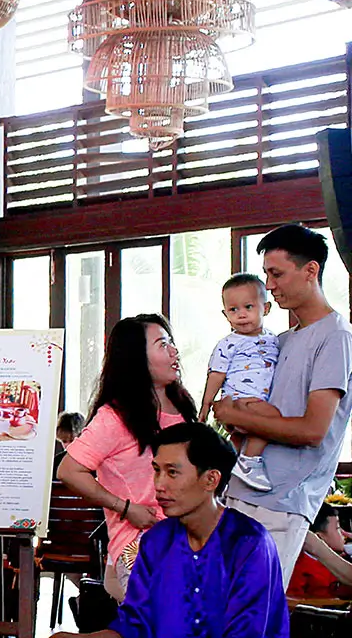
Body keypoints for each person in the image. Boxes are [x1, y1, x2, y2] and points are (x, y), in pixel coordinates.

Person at [37, 422, 306, 638]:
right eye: (156, 472)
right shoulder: (155, 542)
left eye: (172, 473)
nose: (159, 486)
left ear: (211, 479)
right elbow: (131, 632)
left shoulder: (249, 542)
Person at [213, 224, 352, 583]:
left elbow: (312, 430)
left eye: (276, 274)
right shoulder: (281, 339)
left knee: (251, 618)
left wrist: (231, 413)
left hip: (281, 502)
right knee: (217, 611)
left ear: (310, 271)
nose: (269, 285)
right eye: (266, 275)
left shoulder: (335, 336)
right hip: (240, 491)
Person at [58, 314, 200, 602]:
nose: (174, 351)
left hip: (188, 538)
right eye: (162, 345)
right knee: (164, 630)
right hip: (142, 544)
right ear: (137, 358)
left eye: (171, 342)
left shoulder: (183, 405)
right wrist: (124, 507)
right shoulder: (115, 417)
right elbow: (69, 470)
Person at [199, 272, 282, 492]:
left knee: (238, 437)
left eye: (248, 307)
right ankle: (249, 460)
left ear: (265, 308)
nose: (241, 315)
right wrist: (206, 404)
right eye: (233, 310)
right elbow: (217, 373)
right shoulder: (229, 343)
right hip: (239, 399)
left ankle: (227, 471)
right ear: (225, 314)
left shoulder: (273, 339)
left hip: (257, 397)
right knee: (272, 419)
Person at [289, 504, 352, 597]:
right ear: (318, 537)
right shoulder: (299, 566)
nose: (344, 533)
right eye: (338, 528)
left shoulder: (346, 557)